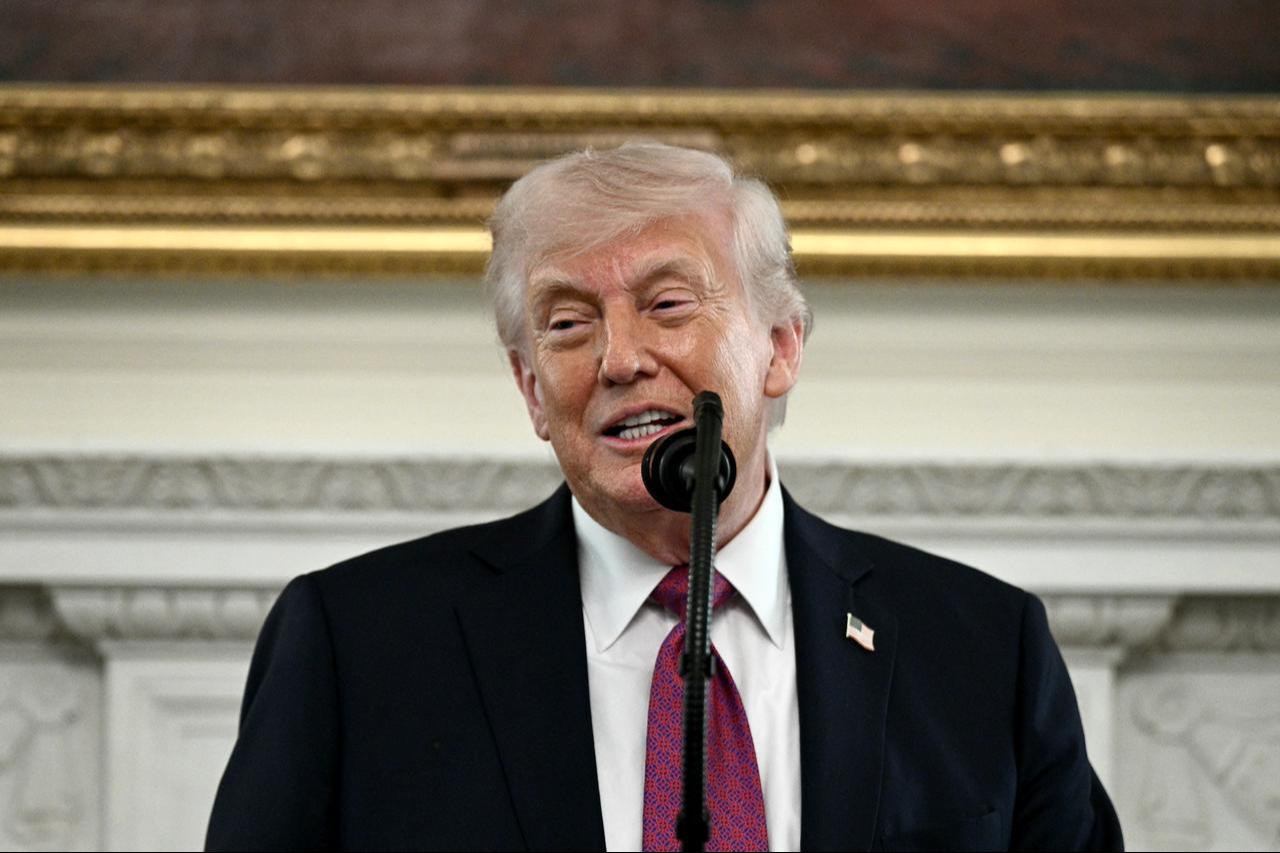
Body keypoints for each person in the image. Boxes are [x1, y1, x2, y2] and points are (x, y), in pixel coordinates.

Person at [206, 143, 1122, 851]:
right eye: (568, 323)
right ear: (532, 389)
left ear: (781, 347)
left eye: (669, 304)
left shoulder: (980, 649)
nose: (618, 358)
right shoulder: (357, 642)